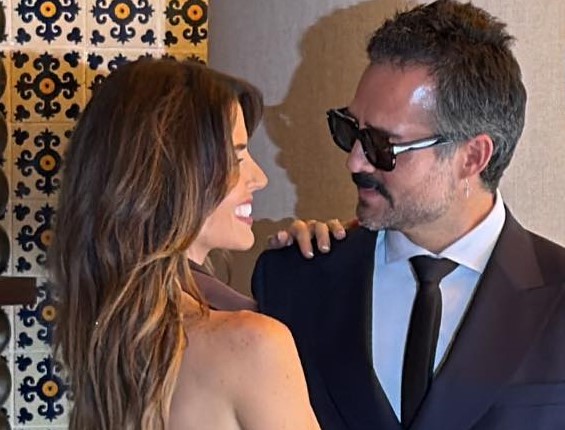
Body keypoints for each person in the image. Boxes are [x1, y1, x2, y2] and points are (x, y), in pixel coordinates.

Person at [253, 1, 565, 429]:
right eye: (349, 130)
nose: (355, 162)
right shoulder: (294, 279)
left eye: (383, 145)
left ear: (472, 156)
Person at [49, 58, 320, 430]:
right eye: (237, 156)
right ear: (172, 174)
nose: (259, 178)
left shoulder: (105, 342)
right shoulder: (254, 346)